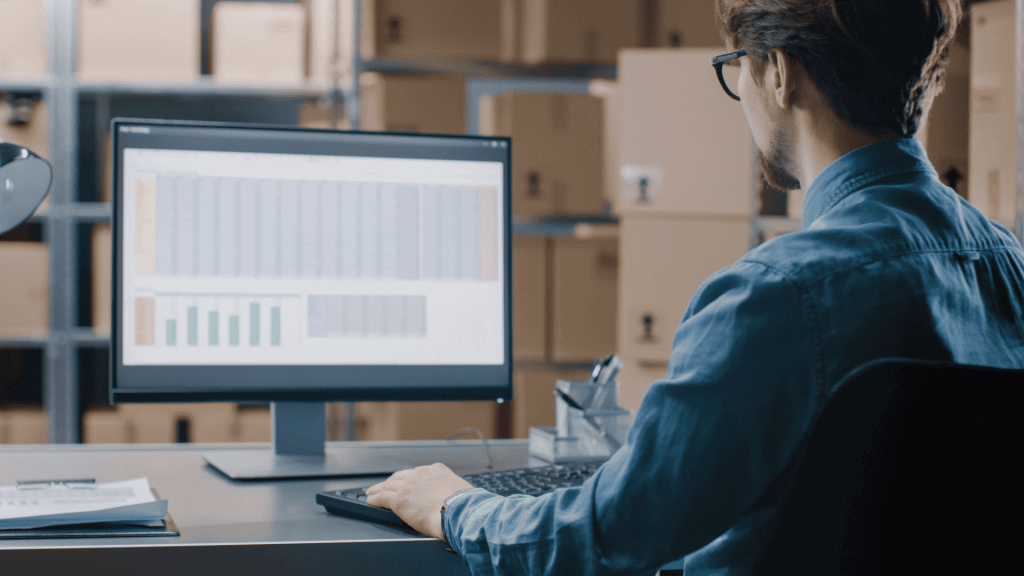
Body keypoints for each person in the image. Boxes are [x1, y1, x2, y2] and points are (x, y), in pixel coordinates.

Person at [366, 1, 1024, 574]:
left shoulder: (776, 295)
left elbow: (606, 538)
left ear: (778, 73)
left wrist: (455, 507)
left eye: (737, 65)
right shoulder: (1010, 266)